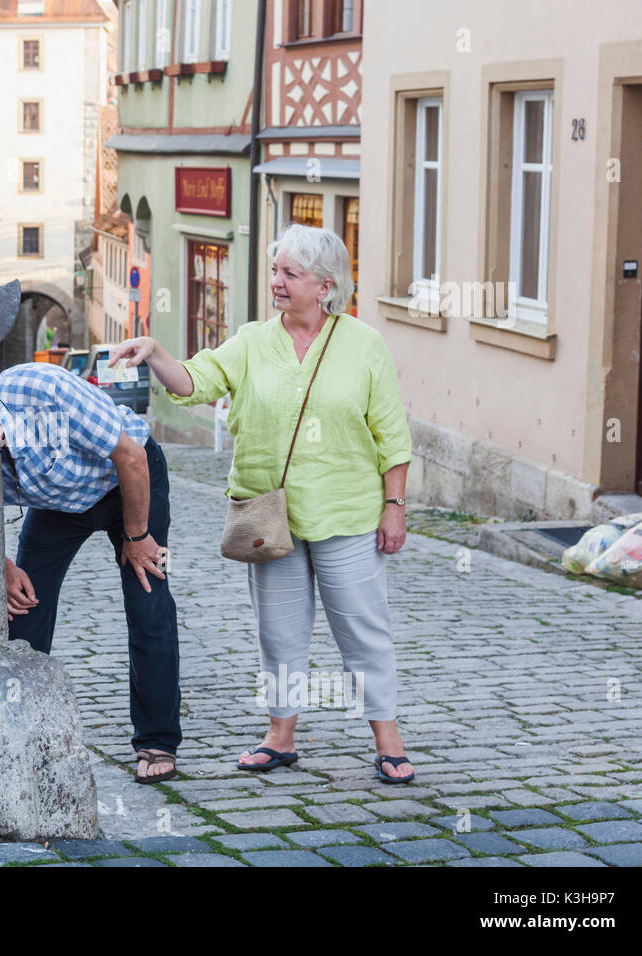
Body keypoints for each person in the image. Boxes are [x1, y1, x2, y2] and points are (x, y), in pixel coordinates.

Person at [109, 223, 417, 784]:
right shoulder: (252, 341)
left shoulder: (363, 345)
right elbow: (193, 382)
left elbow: (391, 435)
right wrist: (154, 353)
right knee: (278, 632)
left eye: (289, 274)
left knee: (363, 629)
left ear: (324, 286)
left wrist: (393, 505)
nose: (276, 281)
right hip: (268, 516)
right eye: (275, 270)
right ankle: (280, 735)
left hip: (346, 513)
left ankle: (387, 737)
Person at [0, 365, 182, 783]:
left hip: (129, 479)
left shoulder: (41, 390)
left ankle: (158, 739)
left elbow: (131, 456)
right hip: (57, 506)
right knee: (23, 611)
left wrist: (138, 535)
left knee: (149, 603)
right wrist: (4, 568)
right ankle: (24, 733)